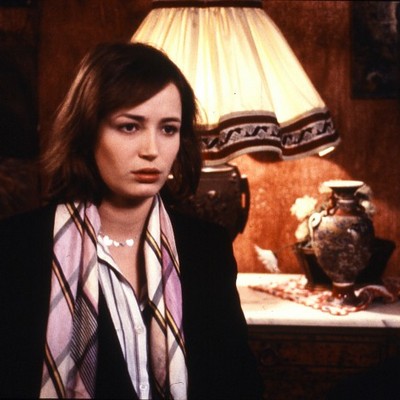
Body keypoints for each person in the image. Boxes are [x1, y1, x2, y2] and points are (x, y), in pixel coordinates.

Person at [0, 42, 263, 399]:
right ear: (87, 131)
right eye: (129, 127)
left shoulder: (207, 247)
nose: (151, 150)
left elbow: (240, 384)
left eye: (168, 129)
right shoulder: (17, 246)